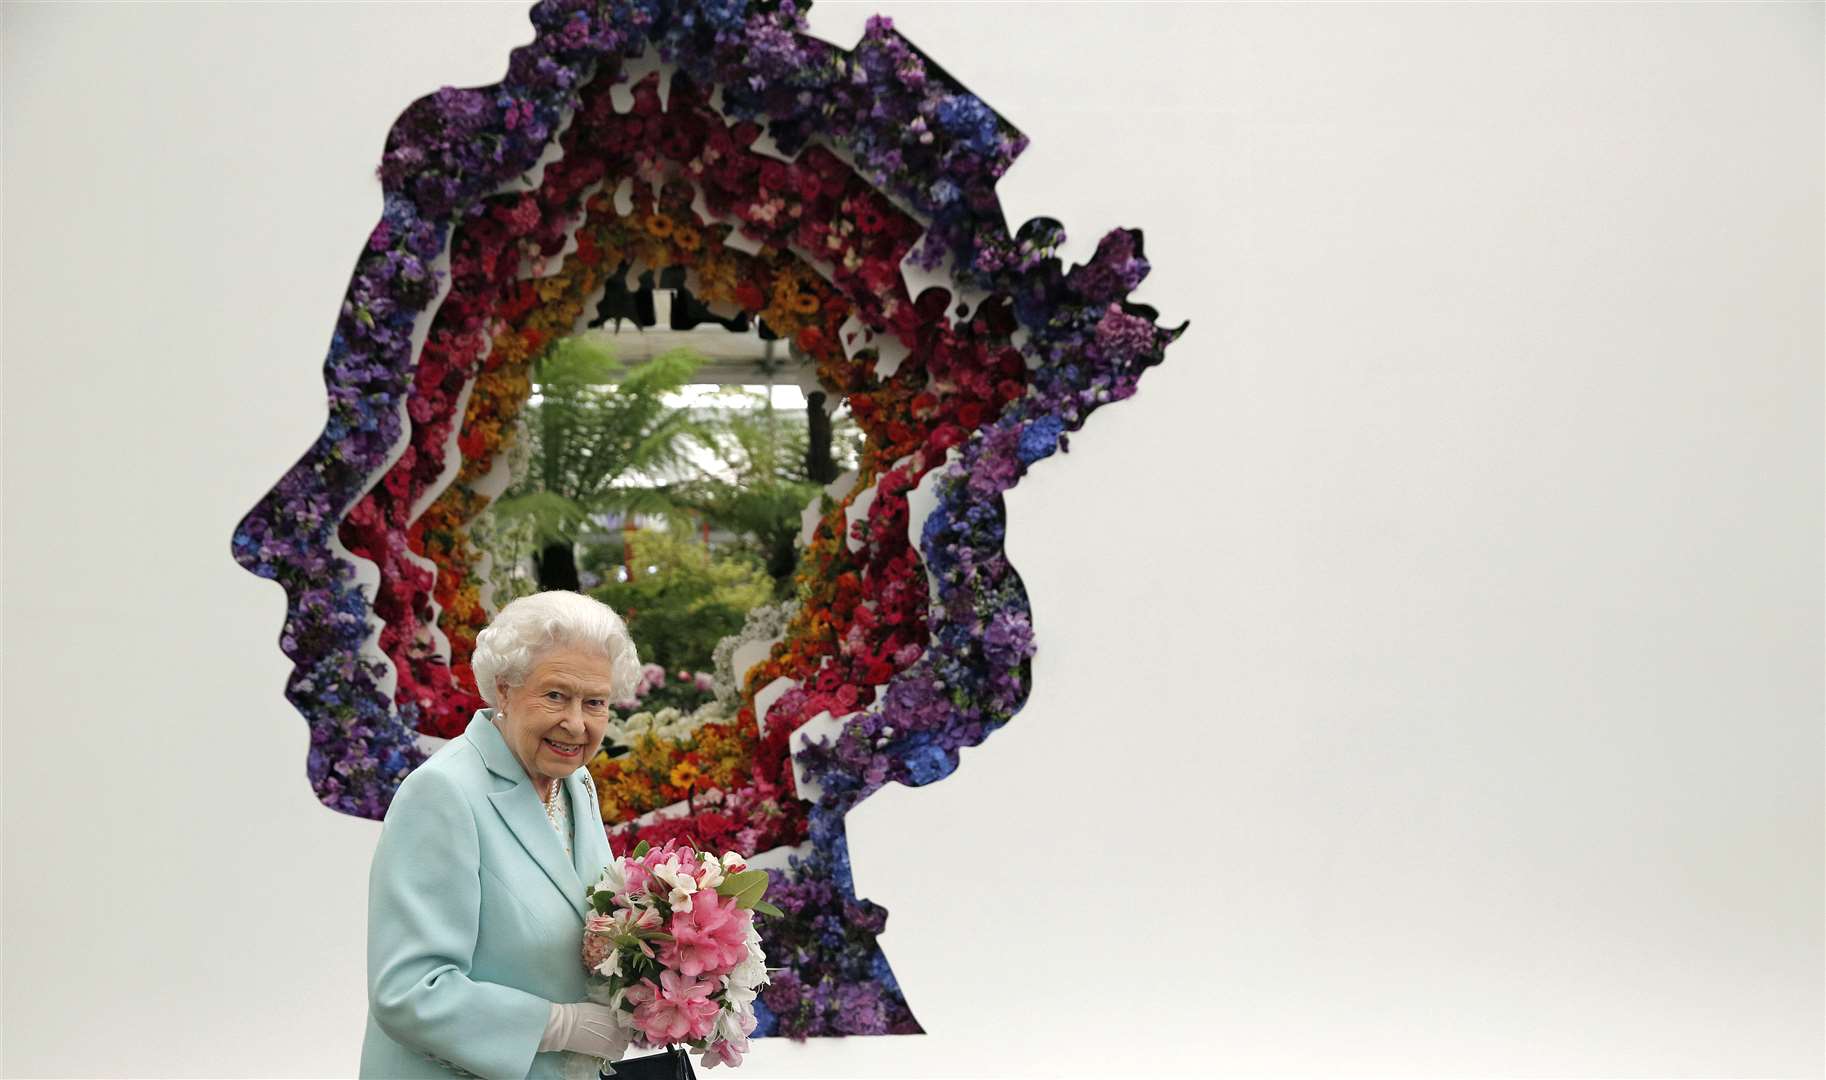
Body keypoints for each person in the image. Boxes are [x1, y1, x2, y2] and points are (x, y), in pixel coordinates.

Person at [360, 590, 642, 1079]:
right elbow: (408, 991)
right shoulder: (443, 793)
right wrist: (558, 1025)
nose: (575, 724)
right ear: (504, 689)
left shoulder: (576, 784)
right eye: (555, 695)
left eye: (594, 702)